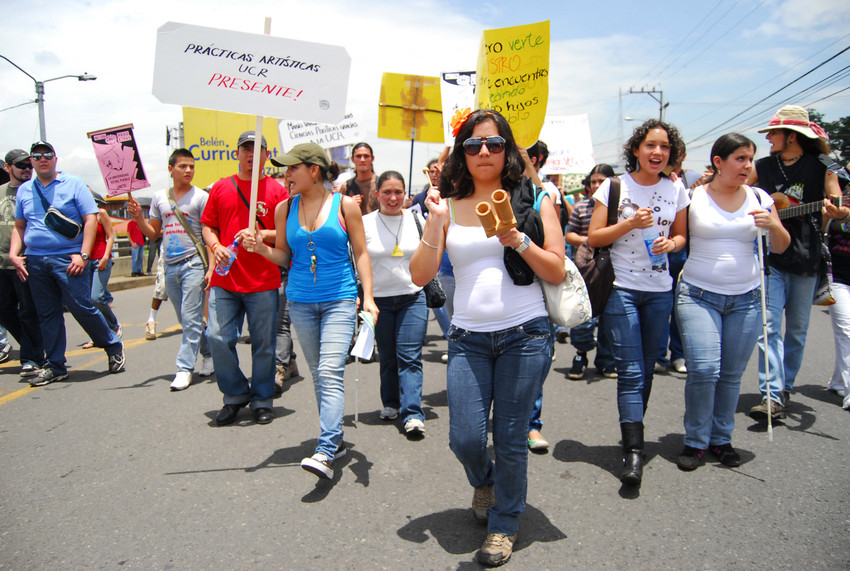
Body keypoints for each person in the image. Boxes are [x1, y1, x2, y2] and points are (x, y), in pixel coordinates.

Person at [409, 109, 565, 567]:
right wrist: (436, 225)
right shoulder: (446, 204)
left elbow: (555, 267)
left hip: (526, 334)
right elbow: (420, 275)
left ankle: (504, 524)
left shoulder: (535, 198)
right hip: (468, 337)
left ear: (507, 150)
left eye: (493, 144)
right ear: (461, 151)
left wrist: (515, 238)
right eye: (473, 144)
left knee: (512, 436)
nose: (483, 152)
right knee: (465, 438)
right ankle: (487, 481)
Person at [247, 142, 378, 479]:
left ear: (314, 170)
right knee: (320, 375)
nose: (286, 174)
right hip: (300, 302)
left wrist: (369, 297)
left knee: (331, 371)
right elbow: (283, 257)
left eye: (293, 168)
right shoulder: (282, 209)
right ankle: (336, 441)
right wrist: (261, 248)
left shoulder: (345, 205)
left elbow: (362, 254)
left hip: (340, 299)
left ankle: (325, 448)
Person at [675, 133, 790, 471]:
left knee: (731, 374)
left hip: (747, 299)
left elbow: (781, 246)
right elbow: (677, 237)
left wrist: (772, 225)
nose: (747, 166)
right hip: (697, 295)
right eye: (740, 158)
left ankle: (721, 439)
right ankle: (695, 440)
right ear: (718, 163)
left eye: (750, 159)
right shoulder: (692, 196)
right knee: (705, 369)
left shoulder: (759, 197)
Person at [587, 120, 689, 487]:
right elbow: (595, 237)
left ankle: (633, 430)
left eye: (664, 147)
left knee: (647, 368)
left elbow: (680, 235)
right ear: (636, 149)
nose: (657, 152)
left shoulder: (676, 189)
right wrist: (629, 224)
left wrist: (671, 245)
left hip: (660, 291)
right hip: (622, 288)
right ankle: (634, 450)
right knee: (630, 371)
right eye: (650, 145)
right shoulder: (616, 187)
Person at [746, 105, 845, 421]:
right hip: (770, 258)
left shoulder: (823, 166)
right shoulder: (762, 166)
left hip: (806, 257)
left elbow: (836, 198)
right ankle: (771, 394)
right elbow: (740, 194)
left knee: (798, 330)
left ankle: (785, 387)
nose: (769, 138)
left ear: (792, 136)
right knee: (768, 327)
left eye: (773, 132)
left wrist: (838, 210)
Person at [9, 141, 125, 385]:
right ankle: (55, 365)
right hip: (36, 260)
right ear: (32, 160)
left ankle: (113, 345)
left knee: (82, 307)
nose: (43, 159)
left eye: (47, 155)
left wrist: (83, 255)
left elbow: (90, 220)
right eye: (37, 155)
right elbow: (20, 227)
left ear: (55, 159)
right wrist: (14, 254)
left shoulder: (73, 184)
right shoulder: (25, 190)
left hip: (69, 259)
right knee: (47, 314)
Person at [201, 131, 287, 425]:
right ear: (237, 153)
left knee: (264, 344)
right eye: (245, 149)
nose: (251, 155)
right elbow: (208, 227)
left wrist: (263, 235)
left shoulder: (277, 191)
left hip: (263, 280)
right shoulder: (221, 188)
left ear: (266, 155)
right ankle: (235, 395)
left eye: (258, 149)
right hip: (225, 280)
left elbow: (287, 233)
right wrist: (216, 246)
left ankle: (262, 399)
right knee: (217, 337)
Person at [128, 148, 214, 391]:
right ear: (170, 169)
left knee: (190, 317)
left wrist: (210, 268)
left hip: (194, 264)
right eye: (183, 166)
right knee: (187, 319)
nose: (188, 170)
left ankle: (184, 368)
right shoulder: (159, 198)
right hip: (170, 265)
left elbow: (209, 233)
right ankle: (208, 354)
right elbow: (154, 234)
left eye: (192, 166)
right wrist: (138, 218)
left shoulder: (201, 197)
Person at [363, 171, 428, 436]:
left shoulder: (417, 218)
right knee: (388, 357)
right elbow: (356, 259)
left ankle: (412, 413)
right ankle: (390, 403)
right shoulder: (364, 223)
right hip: (379, 301)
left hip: (413, 297)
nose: (393, 198)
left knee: (410, 356)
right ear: (377, 194)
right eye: (387, 192)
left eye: (398, 192)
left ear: (406, 194)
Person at [564, 164, 617, 380]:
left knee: (610, 317)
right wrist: (592, 240)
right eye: (593, 181)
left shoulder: (620, 208)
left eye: (602, 181)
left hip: (614, 270)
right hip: (586, 270)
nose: (596, 185)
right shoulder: (581, 207)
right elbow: (569, 236)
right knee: (584, 315)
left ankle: (606, 360)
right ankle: (580, 355)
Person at [656, 150, 705, 374]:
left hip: (683, 251)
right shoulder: (655, 176)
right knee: (659, 306)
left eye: (669, 148)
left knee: (680, 306)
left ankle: (679, 354)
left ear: (683, 154)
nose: (664, 154)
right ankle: (658, 354)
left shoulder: (695, 179)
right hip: (657, 251)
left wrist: (702, 186)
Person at [0, 148, 45, 377]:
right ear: (8, 168)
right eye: (21, 165)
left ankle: (31, 357)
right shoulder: (0, 192)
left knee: (28, 311)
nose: (27, 169)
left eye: (29, 165)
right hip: (2, 264)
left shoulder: (37, 191)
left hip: (27, 261)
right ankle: (35, 345)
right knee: (5, 312)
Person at [269, 171, 299, 395]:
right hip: (265, 271)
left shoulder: (296, 208)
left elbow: (286, 238)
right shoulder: (274, 208)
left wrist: (261, 234)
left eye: (287, 186)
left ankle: (278, 368)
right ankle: (291, 361)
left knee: (281, 322)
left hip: (289, 272)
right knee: (275, 322)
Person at [83, 193, 122, 348]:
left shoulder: (101, 213)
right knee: (87, 302)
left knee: (96, 297)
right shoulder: (81, 216)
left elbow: (110, 236)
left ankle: (113, 325)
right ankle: (98, 335)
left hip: (100, 259)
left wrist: (106, 256)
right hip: (85, 261)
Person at [826, 202, 850, 410]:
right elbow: (829, 226)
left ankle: (839, 381)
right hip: (838, 277)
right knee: (846, 331)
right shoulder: (841, 201)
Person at [339, 142, 378, 215]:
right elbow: (337, 214)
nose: (362, 160)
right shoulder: (346, 186)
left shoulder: (381, 184)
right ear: (352, 159)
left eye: (366, 156)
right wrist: (349, 204)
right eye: (358, 156)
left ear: (372, 159)